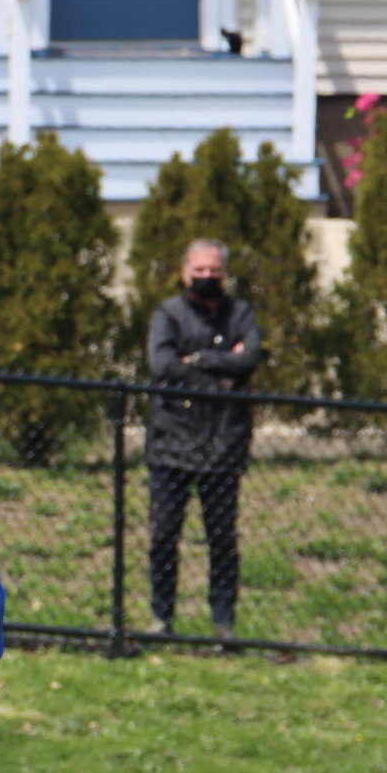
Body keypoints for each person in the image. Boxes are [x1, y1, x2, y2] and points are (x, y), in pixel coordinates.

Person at [145, 239, 264, 641]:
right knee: (163, 536)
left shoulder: (241, 313)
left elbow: (249, 359)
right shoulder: (169, 315)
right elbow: (161, 365)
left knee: (222, 540)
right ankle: (162, 619)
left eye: (214, 270)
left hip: (223, 445)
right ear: (184, 273)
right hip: (171, 444)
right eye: (199, 270)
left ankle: (223, 624)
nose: (207, 277)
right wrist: (220, 373)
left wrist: (196, 361)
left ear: (224, 273)